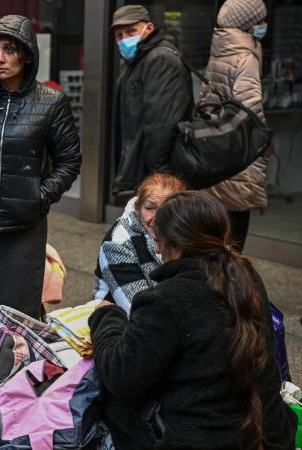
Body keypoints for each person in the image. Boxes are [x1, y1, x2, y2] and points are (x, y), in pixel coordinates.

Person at [89, 191, 296, 449]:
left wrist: (106, 316)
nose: (155, 248)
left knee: (112, 399)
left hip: (202, 439)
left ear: (173, 243)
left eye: (158, 239)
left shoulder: (165, 299)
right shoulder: (246, 276)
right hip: (270, 433)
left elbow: (121, 375)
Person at [0, 15, 81, 319]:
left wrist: (40, 197)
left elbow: (69, 161)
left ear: (26, 54)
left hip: (24, 230)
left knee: (21, 314)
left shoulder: (51, 102)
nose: (0, 58)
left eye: (9, 49)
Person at [199, 0, 269, 251]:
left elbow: (206, 103)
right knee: (234, 243)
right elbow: (250, 112)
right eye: (260, 21)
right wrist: (264, 146)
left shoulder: (220, 51)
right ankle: (228, 288)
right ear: (247, 23)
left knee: (216, 236)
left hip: (218, 153)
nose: (264, 26)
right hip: (239, 157)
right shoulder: (245, 56)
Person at [110, 5, 193, 201]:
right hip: (142, 167)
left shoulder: (159, 59)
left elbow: (161, 125)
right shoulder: (135, 61)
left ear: (148, 28)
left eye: (131, 32)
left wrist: (157, 177)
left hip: (155, 174)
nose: (124, 39)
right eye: (119, 35)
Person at [93, 173, 187, 311]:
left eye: (167, 209)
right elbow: (136, 308)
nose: (158, 217)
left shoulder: (185, 228)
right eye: (150, 208)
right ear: (138, 206)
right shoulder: (118, 242)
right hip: (118, 317)